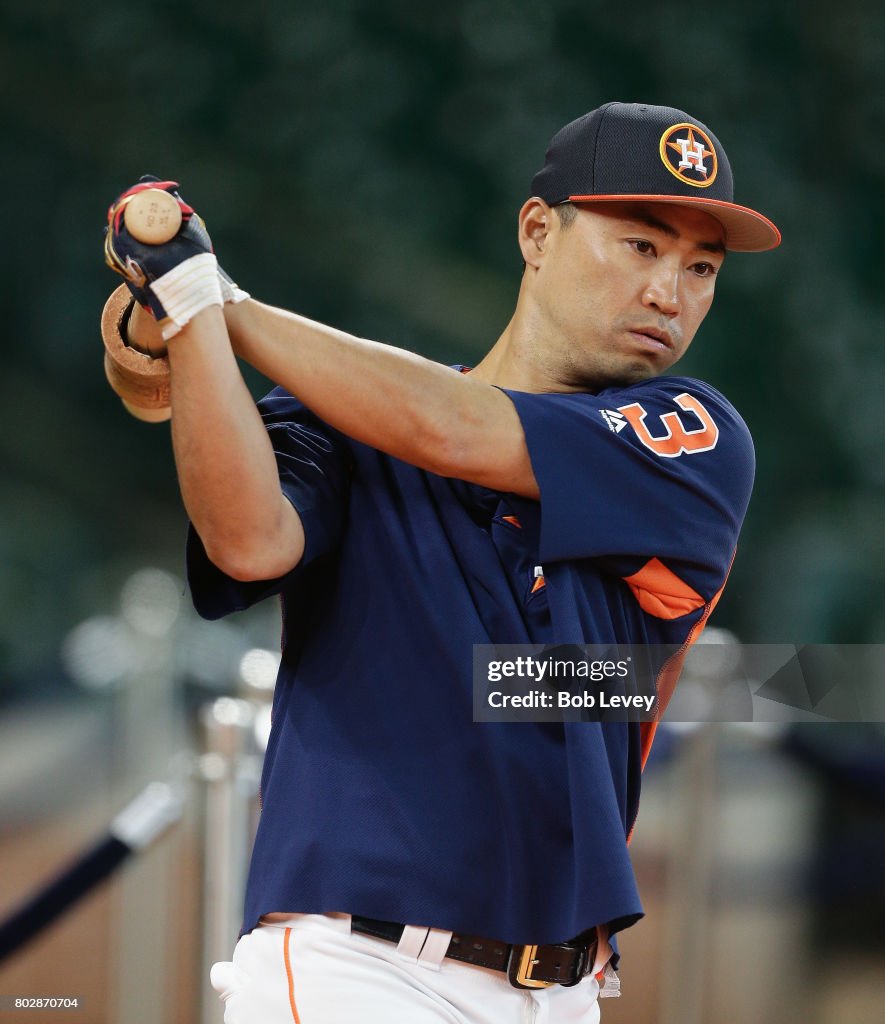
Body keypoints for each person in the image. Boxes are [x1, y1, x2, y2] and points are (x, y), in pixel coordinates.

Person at [104, 101, 781, 1023]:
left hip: (564, 991)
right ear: (539, 232)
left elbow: (455, 428)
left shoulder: (691, 438)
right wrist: (186, 326)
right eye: (640, 247)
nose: (671, 293)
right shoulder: (336, 415)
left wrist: (205, 299)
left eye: (701, 268)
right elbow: (250, 540)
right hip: (357, 969)